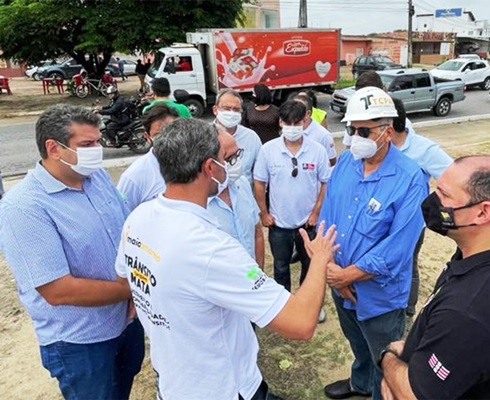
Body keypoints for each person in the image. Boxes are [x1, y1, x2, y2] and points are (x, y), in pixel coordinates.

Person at [114, 118, 338, 399]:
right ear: (209, 167)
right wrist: (318, 260)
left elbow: (126, 278)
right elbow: (302, 322)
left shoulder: (139, 218)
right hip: (225, 387)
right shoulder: (210, 247)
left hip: (174, 381)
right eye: (224, 158)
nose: (230, 165)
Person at [0, 104, 144, 400]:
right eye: (87, 144)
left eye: (98, 140)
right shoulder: (25, 207)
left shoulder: (97, 179)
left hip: (126, 322)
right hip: (80, 343)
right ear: (54, 148)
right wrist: (132, 289)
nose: (98, 149)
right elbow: (58, 290)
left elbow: (125, 232)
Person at [380, 156, 490, 400]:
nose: (432, 201)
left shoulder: (470, 311)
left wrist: (388, 358)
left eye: (444, 195)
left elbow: (413, 396)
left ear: (483, 212)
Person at [319, 86, 428, 400]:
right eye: (352, 129)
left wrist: (346, 276)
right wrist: (332, 274)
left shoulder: (410, 178)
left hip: (379, 296)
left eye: (364, 130)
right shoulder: (345, 165)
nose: (354, 137)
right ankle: (360, 383)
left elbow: (398, 249)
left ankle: (378, 391)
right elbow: (327, 220)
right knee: (357, 343)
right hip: (340, 286)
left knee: (385, 358)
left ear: (387, 132)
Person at [254, 100, 331, 316]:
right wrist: (264, 213)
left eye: (297, 123)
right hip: (279, 224)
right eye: (288, 123)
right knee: (280, 266)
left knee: (310, 266)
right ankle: (284, 306)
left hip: (308, 223)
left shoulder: (317, 151)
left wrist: (316, 212)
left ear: (305, 121)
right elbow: (259, 183)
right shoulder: (268, 150)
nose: (293, 127)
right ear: (280, 123)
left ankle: (311, 305)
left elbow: (325, 182)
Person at [389, 97, 453, 318]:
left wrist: (430, 208)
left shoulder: (423, 150)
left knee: (407, 264)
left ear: (388, 125)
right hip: (380, 221)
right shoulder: (377, 147)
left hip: (410, 224)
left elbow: (455, 178)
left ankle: (407, 308)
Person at [207, 128, 265, 269]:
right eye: (228, 159)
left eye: (237, 155)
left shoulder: (242, 183)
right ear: (209, 166)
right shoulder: (196, 205)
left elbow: (257, 233)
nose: (236, 163)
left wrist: (257, 276)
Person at [117, 103, 180, 210]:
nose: (167, 139)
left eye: (172, 132)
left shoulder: (196, 164)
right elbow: (121, 213)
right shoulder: (133, 177)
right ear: (147, 137)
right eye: (159, 135)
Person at [342, 71, 415, 148]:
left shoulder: (399, 122)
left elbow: (408, 148)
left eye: (364, 132)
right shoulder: (354, 122)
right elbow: (349, 148)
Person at [213, 88, 262, 183]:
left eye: (236, 109)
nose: (231, 113)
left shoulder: (251, 137)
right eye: (226, 108)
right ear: (215, 110)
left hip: (243, 194)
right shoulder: (203, 136)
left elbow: (259, 172)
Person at [292, 93, 337, 166]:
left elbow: (331, 160)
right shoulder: (289, 130)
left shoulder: (323, 135)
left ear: (308, 113)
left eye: (297, 109)